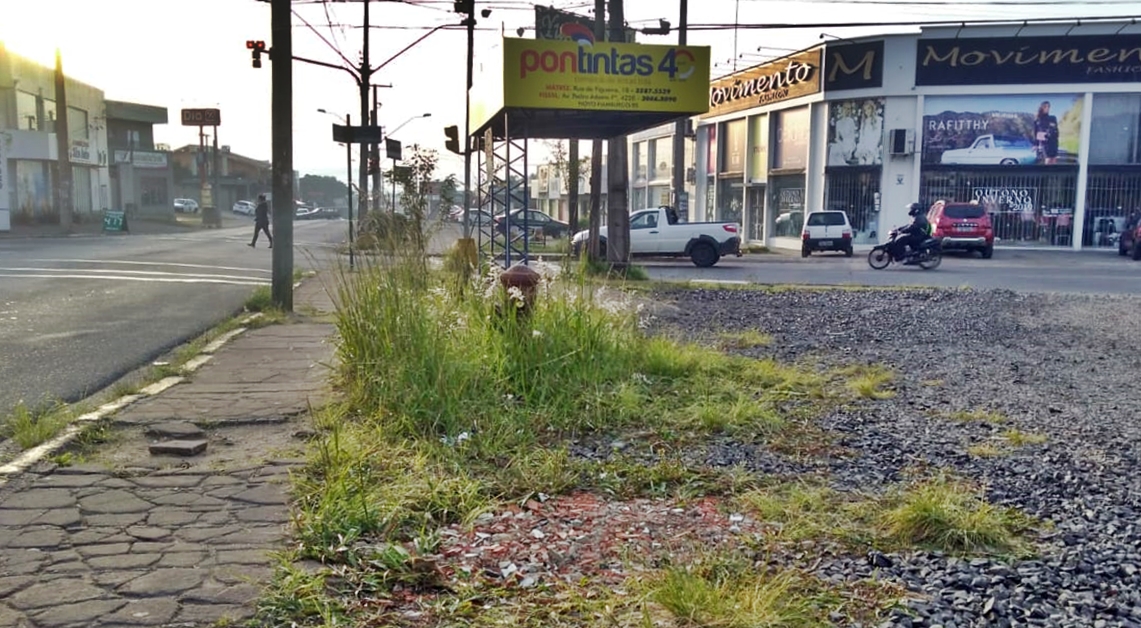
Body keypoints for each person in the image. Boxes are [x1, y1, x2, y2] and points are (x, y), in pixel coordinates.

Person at [1034, 101, 1060, 165]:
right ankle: (1046, 174)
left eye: (1048, 107)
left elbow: (1056, 130)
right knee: (1048, 160)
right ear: (1041, 108)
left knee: (1054, 160)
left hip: (1053, 142)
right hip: (1045, 143)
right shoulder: (1038, 120)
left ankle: (1053, 174)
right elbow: (1036, 133)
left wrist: (1053, 133)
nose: (1047, 108)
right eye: (1045, 107)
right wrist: (1036, 144)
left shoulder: (1053, 118)